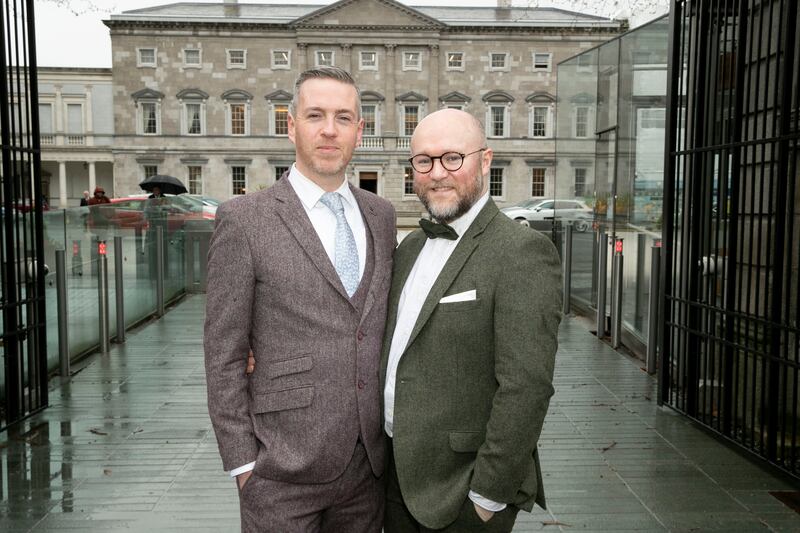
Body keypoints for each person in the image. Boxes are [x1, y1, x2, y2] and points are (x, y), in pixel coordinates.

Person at [204, 67, 396, 533]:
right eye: (315, 115)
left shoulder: (382, 215)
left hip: (366, 472)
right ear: (291, 125)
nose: (329, 129)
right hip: (279, 472)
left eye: (343, 117)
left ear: (359, 130)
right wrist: (244, 466)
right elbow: (223, 354)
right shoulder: (244, 220)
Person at [381, 109, 562, 533]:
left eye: (452, 158)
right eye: (424, 161)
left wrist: (487, 495)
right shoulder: (408, 248)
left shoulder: (521, 252)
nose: (437, 173)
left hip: (462, 491)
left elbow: (527, 386)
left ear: (485, 160)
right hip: (393, 478)